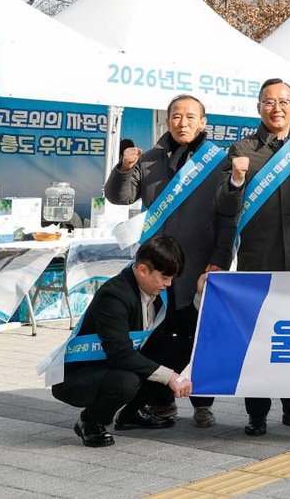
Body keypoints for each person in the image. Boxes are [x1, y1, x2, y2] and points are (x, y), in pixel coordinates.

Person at [104, 94, 233, 429]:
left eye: (191, 117)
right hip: (159, 268)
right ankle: (159, 402)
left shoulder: (220, 161)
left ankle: (203, 404)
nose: (183, 122)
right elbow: (120, 196)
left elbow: (227, 216)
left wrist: (220, 258)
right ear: (166, 121)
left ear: (204, 122)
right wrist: (124, 168)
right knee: (158, 338)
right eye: (176, 116)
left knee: (200, 336)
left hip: (201, 267)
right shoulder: (148, 160)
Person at [216, 78, 290, 437]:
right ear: (258, 106)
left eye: (284, 102)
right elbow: (225, 206)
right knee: (260, 338)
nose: (276, 108)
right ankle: (256, 413)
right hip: (258, 259)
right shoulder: (241, 149)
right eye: (269, 102)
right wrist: (235, 178)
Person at [49, 236, 193, 446]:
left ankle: (131, 414)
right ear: (143, 270)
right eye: (164, 278)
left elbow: (177, 327)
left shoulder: (158, 288)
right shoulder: (114, 295)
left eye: (171, 278)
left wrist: (200, 296)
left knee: (179, 346)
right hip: (84, 370)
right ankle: (90, 421)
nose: (169, 284)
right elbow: (120, 354)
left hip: (121, 361)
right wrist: (169, 376)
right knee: (126, 382)